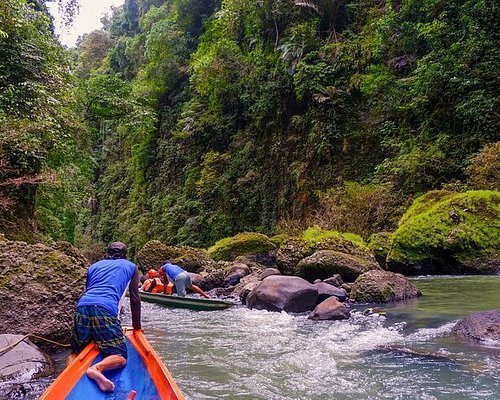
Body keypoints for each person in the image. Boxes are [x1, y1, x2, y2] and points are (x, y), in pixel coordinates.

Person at [67, 242, 141, 393]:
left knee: (75, 351)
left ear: (106, 254)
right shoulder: (131, 266)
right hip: (105, 309)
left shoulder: (93, 266)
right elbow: (135, 299)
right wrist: (137, 326)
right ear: (125, 255)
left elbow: (88, 290)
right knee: (120, 356)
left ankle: (72, 375)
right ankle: (96, 368)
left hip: (82, 307)